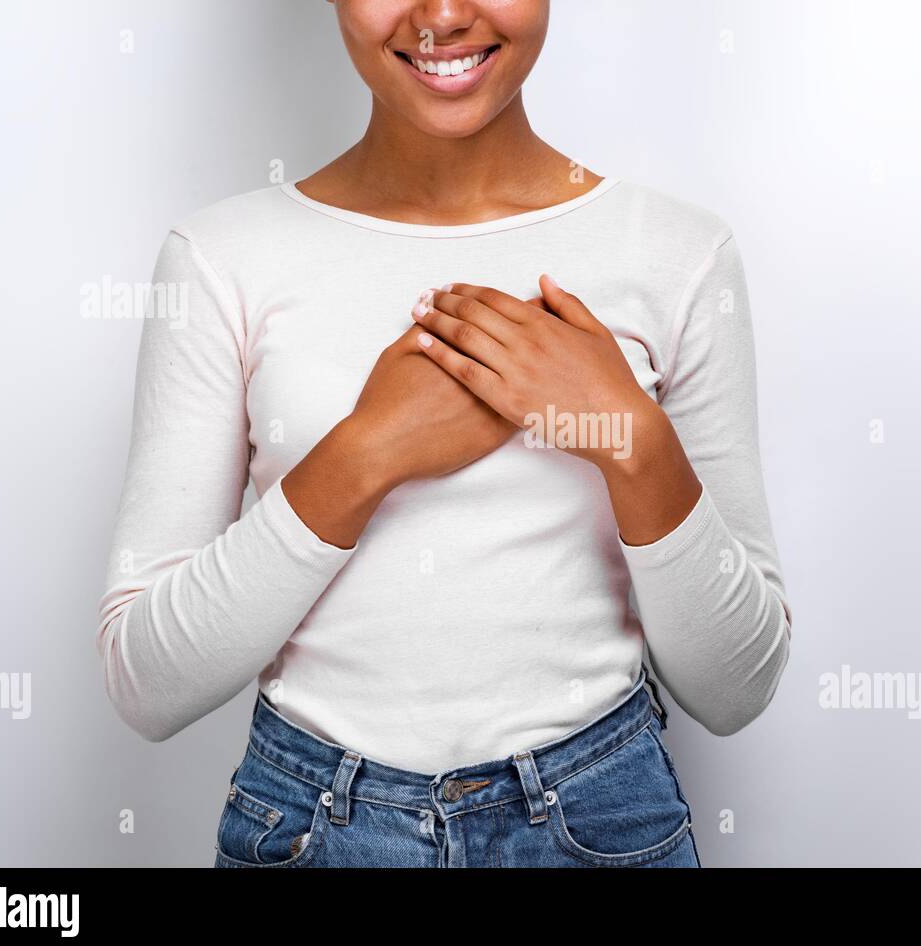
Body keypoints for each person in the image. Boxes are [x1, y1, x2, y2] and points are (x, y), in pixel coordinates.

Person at [97, 0, 791, 868]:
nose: (445, 14)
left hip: (602, 819)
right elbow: (145, 680)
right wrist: (367, 452)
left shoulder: (677, 252)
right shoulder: (220, 258)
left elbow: (738, 686)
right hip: (313, 824)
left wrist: (628, 437)